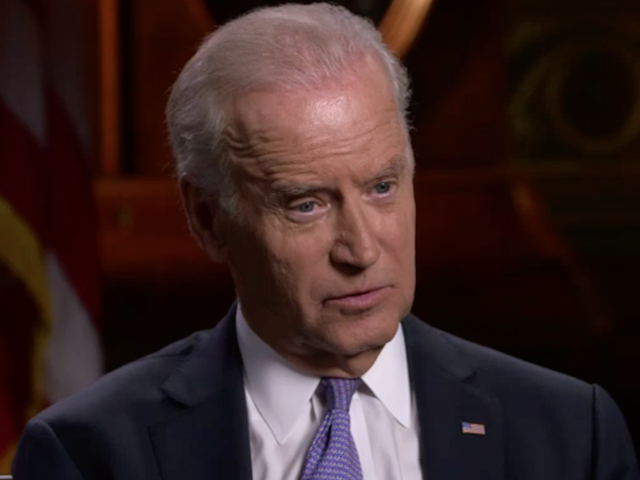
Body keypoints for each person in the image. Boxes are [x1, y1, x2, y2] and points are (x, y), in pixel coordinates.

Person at [12, 3, 640, 480]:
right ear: (207, 218)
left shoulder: (571, 435)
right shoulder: (88, 453)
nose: (361, 251)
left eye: (382, 187)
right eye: (306, 204)